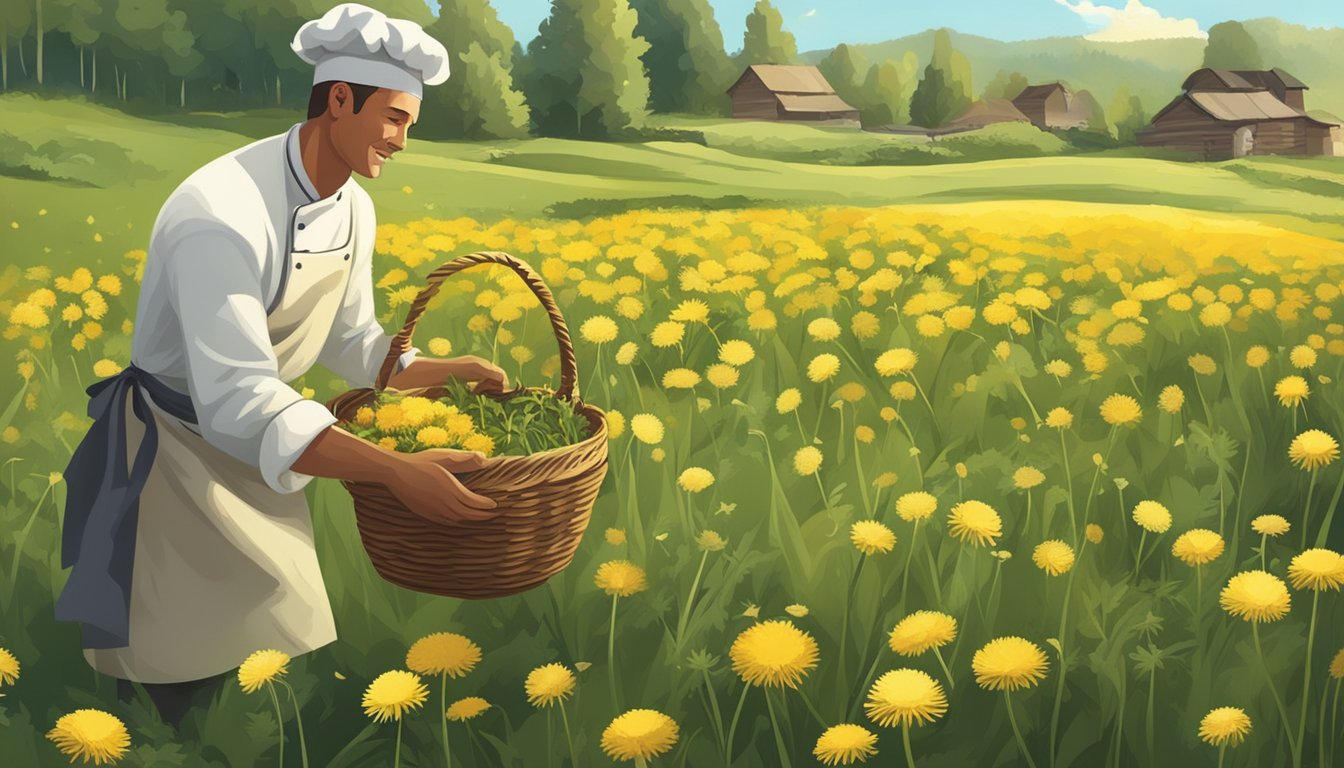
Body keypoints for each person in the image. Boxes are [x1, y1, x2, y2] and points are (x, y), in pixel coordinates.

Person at [54, 3, 506, 730]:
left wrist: (440, 370)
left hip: (272, 445)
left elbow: (351, 339)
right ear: (337, 100)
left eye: (409, 124)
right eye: (393, 118)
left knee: (272, 654)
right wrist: (393, 470)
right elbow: (234, 396)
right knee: (173, 661)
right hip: (176, 452)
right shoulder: (220, 211)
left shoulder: (352, 206)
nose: (402, 140)